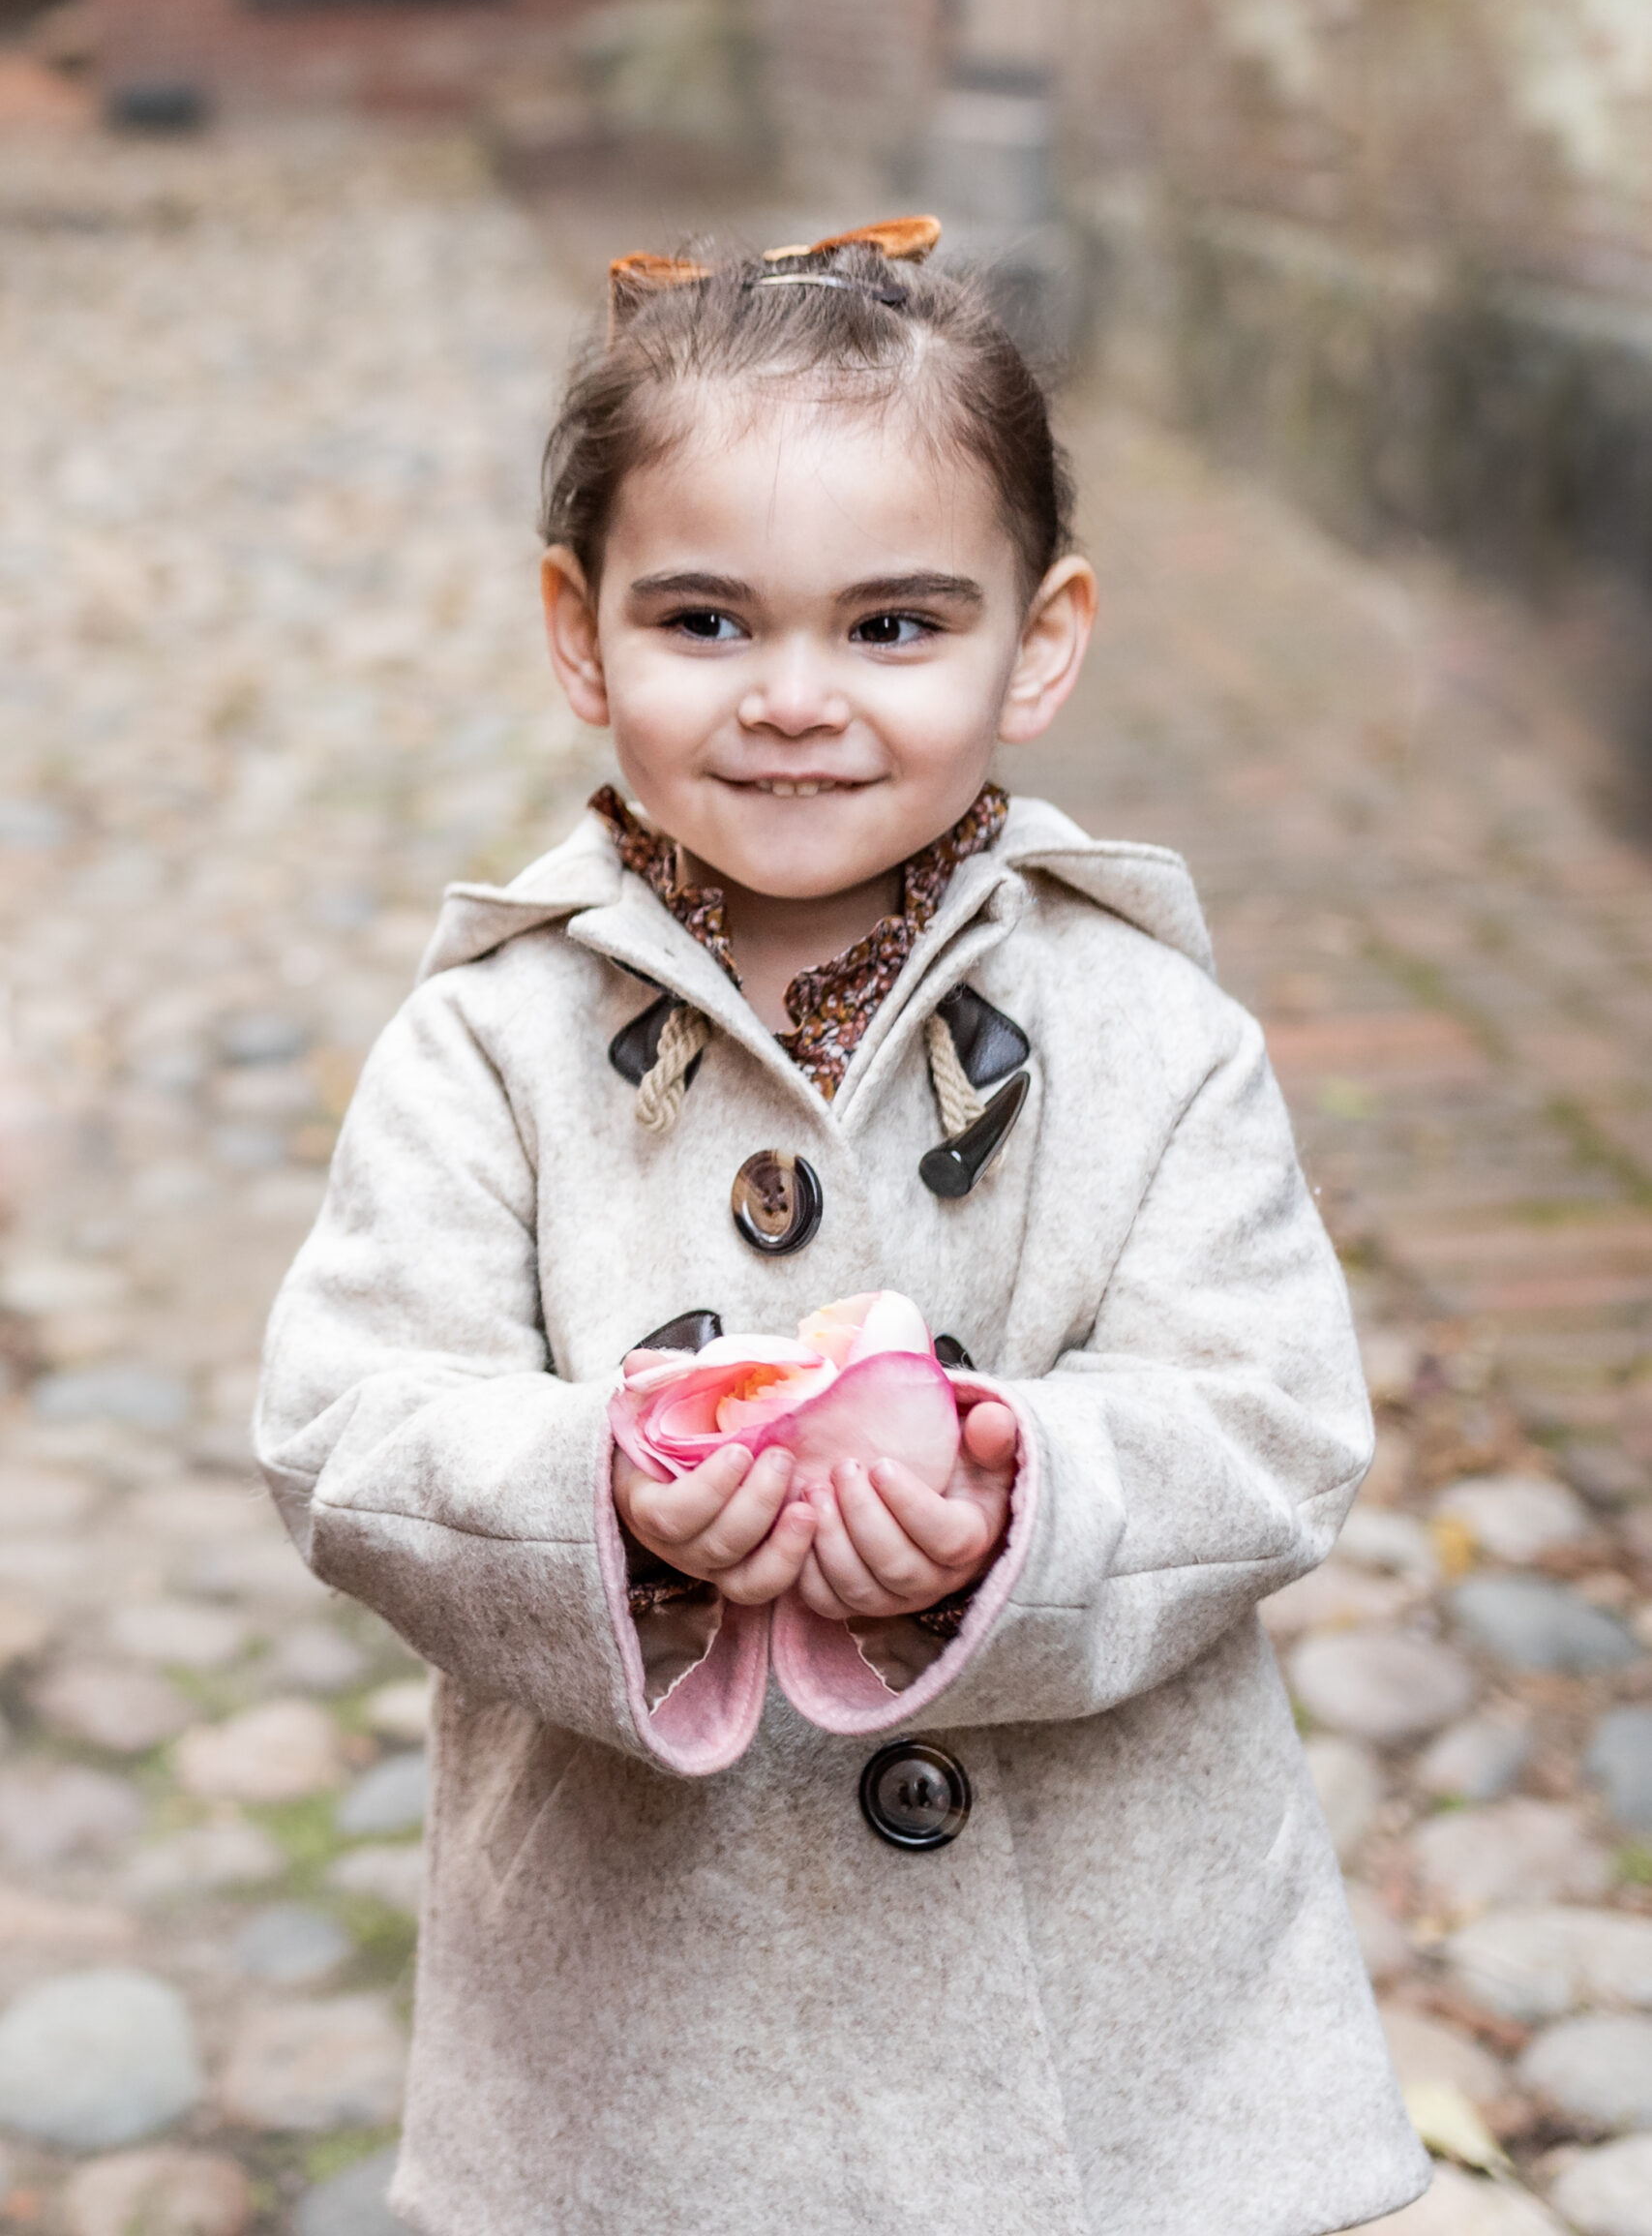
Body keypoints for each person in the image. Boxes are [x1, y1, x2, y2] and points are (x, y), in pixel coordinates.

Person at [255, 218, 1427, 2236]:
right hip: (653, 2035)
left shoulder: (1147, 1028)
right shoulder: (494, 1040)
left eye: (892, 626)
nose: (795, 698)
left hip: (1100, 2035)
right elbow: (350, 1418)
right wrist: (596, 1491)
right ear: (577, 626)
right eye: (705, 621)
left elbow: (1268, 1416)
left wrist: (1025, 1494)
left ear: (1035, 639)